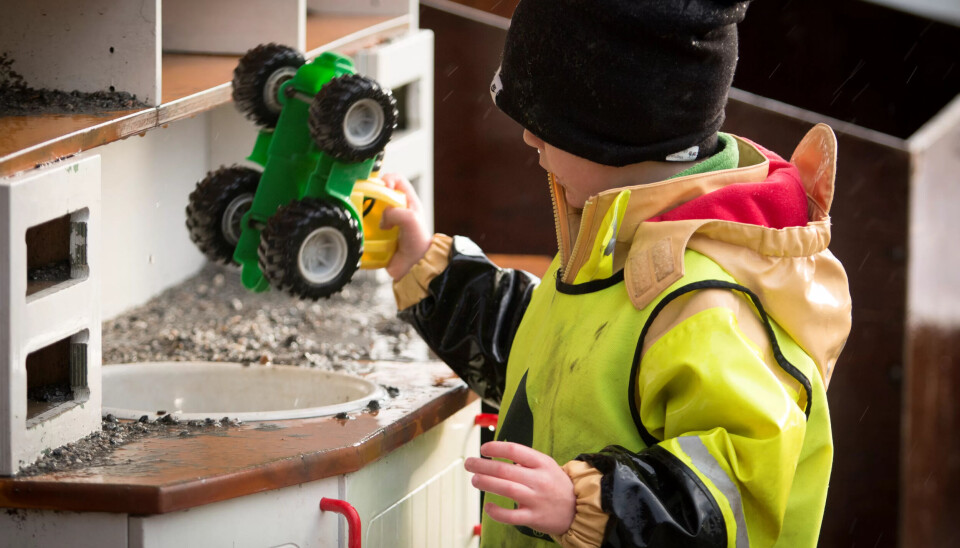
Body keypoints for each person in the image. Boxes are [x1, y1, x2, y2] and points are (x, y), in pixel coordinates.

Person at [380, 0, 852, 546]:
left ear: (621, 132)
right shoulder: (620, 240)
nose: (530, 138)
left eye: (545, 123)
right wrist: (430, 270)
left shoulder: (702, 303)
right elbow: (555, 368)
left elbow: (738, 493)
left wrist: (591, 504)